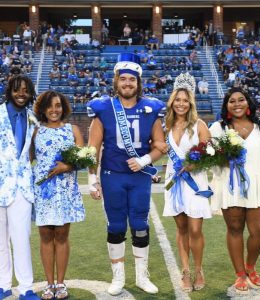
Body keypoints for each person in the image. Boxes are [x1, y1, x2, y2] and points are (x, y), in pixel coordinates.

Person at [87, 53, 168, 296]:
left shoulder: (151, 107)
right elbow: (93, 148)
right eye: (123, 79)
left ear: (138, 82)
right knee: (116, 226)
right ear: (116, 81)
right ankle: (118, 277)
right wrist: (92, 179)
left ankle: (142, 276)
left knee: (141, 225)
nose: (127, 84)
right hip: (113, 176)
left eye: (132, 80)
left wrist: (144, 159)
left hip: (139, 177)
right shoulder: (103, 107)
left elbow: (160, 145)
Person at [209, 87, 260, 295]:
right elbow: (212, 159)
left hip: (257, 186)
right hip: (230, 186)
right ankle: (240, 273)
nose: (237, 104)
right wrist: (224, 158)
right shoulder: (218, 128)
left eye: (240, 100)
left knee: (259, 231)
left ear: (247, 102)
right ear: (226, 105)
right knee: (235, 228)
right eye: (232, 101)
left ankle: (250, 265)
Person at [32, 90, 85, 300]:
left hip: (65, 189)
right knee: (45, 236)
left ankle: (61, 283)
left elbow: (85, 158)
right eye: (50, 106)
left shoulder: (73, 130)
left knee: (62, 235)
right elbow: (27, 160)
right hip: (43, 191)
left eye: (58, 105)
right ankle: (49, 284)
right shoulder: (36, 132)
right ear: (43, 109)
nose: (54, 110)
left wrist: (68, 165)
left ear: (63, 107)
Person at [163, 72, 212, 292]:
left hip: (195, 182)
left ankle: (199, 269)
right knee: (181, 228)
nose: (181, 104)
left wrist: (195, 163)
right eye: (178, 100)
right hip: (175, 183)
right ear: (172, 102)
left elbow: (211, 152)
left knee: (195, 229)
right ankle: (185, 271)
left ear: (190, 102)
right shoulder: (165, 126)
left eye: (185, 100)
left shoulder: (199, 124)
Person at [0, 75, 40, 300]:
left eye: (25, 90)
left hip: (23, 186)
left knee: (21, 238)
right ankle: (3, 284)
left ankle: (26, 287)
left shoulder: (33, 118)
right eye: (17, 90)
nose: (21, 94)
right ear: (10, 91)